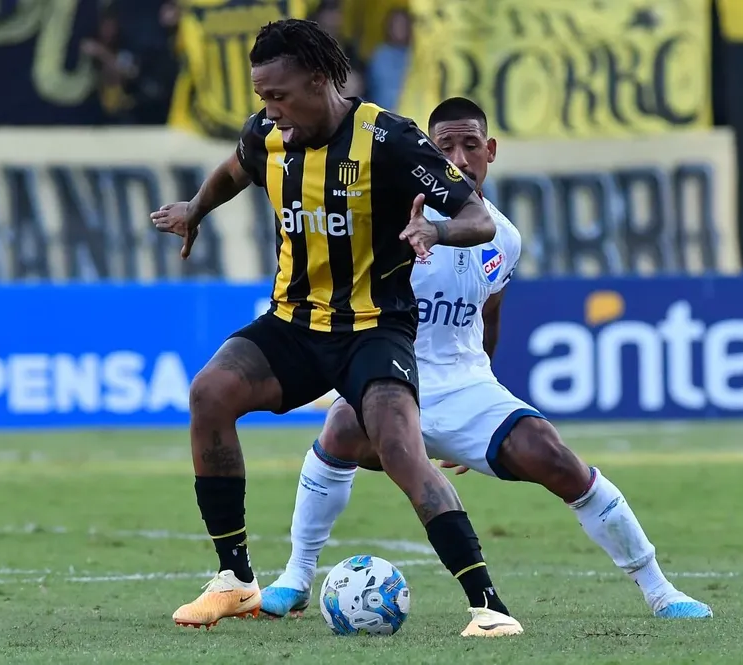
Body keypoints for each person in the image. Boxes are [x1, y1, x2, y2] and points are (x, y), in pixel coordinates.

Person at [259, 97, 714, 622]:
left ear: (490, 150)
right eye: (445, 147)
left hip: (464, 384)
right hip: (386, 373)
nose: (459, 158)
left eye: (470, 145)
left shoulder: (504, 237)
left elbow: (488, 314)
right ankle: (296, 576)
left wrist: (482, 406)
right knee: (340, 429)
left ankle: (660, 590)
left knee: (553, 455)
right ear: (427, 153)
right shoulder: (387, 218)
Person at [150, 20, 522, 637]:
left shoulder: (390, 139)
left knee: (400, 448)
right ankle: (235, 579)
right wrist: (195, 208)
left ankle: (488, 606)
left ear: (320, 80)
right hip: (294, 323)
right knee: (209, 394)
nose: (270, 109)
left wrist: (435, 230)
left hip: (373, 328)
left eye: (279, 95)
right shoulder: (268, 132)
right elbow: (236, 168)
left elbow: (478, 219)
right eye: (262, 96)